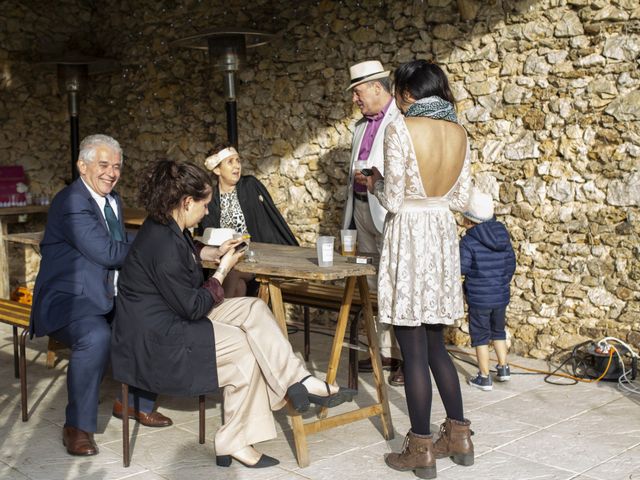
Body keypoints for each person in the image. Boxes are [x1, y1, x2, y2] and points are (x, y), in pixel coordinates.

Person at [111, 159, 355, 469]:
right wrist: (223, 270)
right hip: (159, 340)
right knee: (244, 347)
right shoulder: (161, 244)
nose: (205, 211)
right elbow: (194, 306)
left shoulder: (164, 224)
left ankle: (300, 380)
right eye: (204, 205)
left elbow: (185, 249)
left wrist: (210, 252)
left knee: (253, 308)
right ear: (186, 203)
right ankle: (234, 440)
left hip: (171, 318)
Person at [30, 134, 171, 457]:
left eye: (117, 167)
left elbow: (121, 242)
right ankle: (76, 427)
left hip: (105, 295)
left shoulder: (113, 200)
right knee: (95, 337)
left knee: (156, 318)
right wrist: (160, 239)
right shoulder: (70, 201)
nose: (111, 172)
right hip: (70, 300)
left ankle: (135, 403)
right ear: (82, 166)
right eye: (104, 165)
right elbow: (107, 252)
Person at [366, 60, 474, 479]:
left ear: (408, 94)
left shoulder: (401, 128)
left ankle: (420, 447)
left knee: (411, 350)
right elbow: (460, 197)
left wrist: (373, 182)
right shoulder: (460, 133)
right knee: (435, 346)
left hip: (410, 234)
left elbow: (393, 198)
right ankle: (460, 435)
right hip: (441, 235)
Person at [344, 59, 404, 386]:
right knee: (372, 285)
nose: (355, 98)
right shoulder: (359, 127)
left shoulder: (401, 121)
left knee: (394, 284)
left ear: (377, 87)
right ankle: (379, 350)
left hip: (388, 212)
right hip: (362, 211)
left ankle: (402, 358)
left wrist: (370, 176)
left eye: (358, 91)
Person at [199, 144, 298, 297]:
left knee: (233, 273)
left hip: (253, 259)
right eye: (230, 162)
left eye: (238, 160)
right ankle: (235, 320)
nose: (237, 166)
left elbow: (266, 224)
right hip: (222, 259)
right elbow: (208, 234)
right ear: (217, 170)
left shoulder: (250, 186)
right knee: (238, 286)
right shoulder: (211, 198)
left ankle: (217, 316)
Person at [460, 188, 516, 391]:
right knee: (498, 331)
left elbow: (462, 267)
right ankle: (503, 368)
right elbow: (511, 264)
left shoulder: (468, 240)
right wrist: (501, 283)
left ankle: (484, 377)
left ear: (468, 220)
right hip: (500, 295)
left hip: (479, 298)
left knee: (481, 335)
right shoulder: (503, 235)